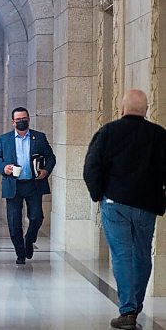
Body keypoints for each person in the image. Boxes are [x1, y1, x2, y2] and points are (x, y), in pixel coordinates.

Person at [83, 89, 166, 330]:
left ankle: (127, 310)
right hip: (147, 206)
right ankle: (136, 304)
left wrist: (99, 194)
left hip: (115, 203)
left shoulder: (108, 132)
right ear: (146, 110)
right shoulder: (159, 135)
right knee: (142, 254)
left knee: (122, 255)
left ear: (122, 108)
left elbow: (92, 167)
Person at [0, 107, 56, 264]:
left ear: (29, 119)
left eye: (24, 119)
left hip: (33, 184)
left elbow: (51, 157)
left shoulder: (39, 138)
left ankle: (29, 239)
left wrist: (46, 171)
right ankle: (20, 253)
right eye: (18, 119)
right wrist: (4, 167)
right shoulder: (4, 139)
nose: (21, 121)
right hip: (13, 185)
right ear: (13, 122)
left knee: (36, 217)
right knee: (14, 221)